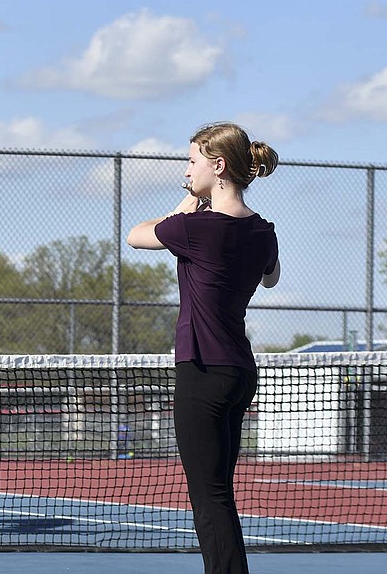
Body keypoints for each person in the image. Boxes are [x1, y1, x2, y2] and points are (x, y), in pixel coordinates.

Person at [127, 123, 280, 574]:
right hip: (238, 372)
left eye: (192, 161)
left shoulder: (195, 228)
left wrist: (192, 200)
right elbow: (271, 277)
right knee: (219, 490)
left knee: (208, 495)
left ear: (218, 165)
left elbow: (137, 235)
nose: (186, 169)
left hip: (201, 371)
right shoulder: (263, 230)